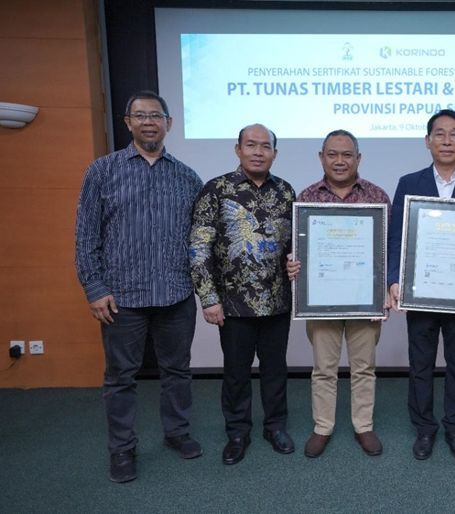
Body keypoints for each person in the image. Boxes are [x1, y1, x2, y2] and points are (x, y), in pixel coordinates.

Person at [75, 91, 204, 483]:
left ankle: (177, 434)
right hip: (122, 298)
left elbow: (199, 239)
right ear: (127, 122)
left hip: (175, 294)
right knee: (120, 378)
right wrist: (94, 288)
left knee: (177, 372)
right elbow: (85, 236)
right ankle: (122, 449)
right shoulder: (102, 171)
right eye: (140, 115)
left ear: (169, 123)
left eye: (156, 115)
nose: (149, 122)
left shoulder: (187, 177)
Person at [387, 109, 455, 461]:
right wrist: (392, 279)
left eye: (454, 134)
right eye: (439, 134)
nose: (446, 140)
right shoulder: (409, 182)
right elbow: (395, 237)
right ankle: (424, 429)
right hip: (420, 291)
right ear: (427, 140)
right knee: (420, 364)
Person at [189, 124, 296, 465]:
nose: (258, 151)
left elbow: (296, 245)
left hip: (277, 301)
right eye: (251, 145)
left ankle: (275, 425)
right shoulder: (216, 190)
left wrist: (299, 264)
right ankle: (237, 432)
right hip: (233, 305)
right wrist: (208, 298)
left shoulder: (286, 192)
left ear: (274, 154)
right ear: (238, 149)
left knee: (276, 369)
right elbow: (198, 247)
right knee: (236, 372)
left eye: (266, 146)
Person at [287, 129, 391, 458]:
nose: (340, 160)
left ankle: (363, 425)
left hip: (365, 299)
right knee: (323, 368)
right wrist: (292, 264)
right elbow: (296, 249)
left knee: (363, 367)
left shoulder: (377, 196)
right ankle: (323, 426)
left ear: (358, 158)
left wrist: (383, 291)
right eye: (332, 154)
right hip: (321, 299)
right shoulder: (306, 197)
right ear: (321, 157)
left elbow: (388, 251)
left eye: (347, 154)